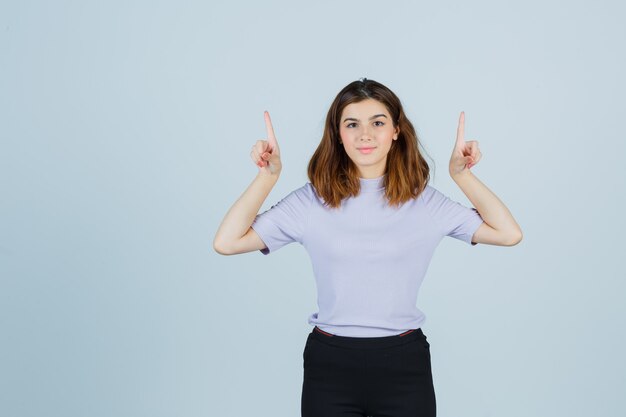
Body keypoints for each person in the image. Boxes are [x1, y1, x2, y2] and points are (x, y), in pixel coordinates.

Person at [213, 78, 522, 417]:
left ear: (396, 130)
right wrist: (266, 178)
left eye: (377, 122)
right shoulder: (311, 201)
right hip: (329, 365)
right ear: (338, 133)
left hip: (404, 363)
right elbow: (227, 242)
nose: (365, 134)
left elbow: (508, 233)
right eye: (352, 124)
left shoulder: (425, 203)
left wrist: (462, 177)